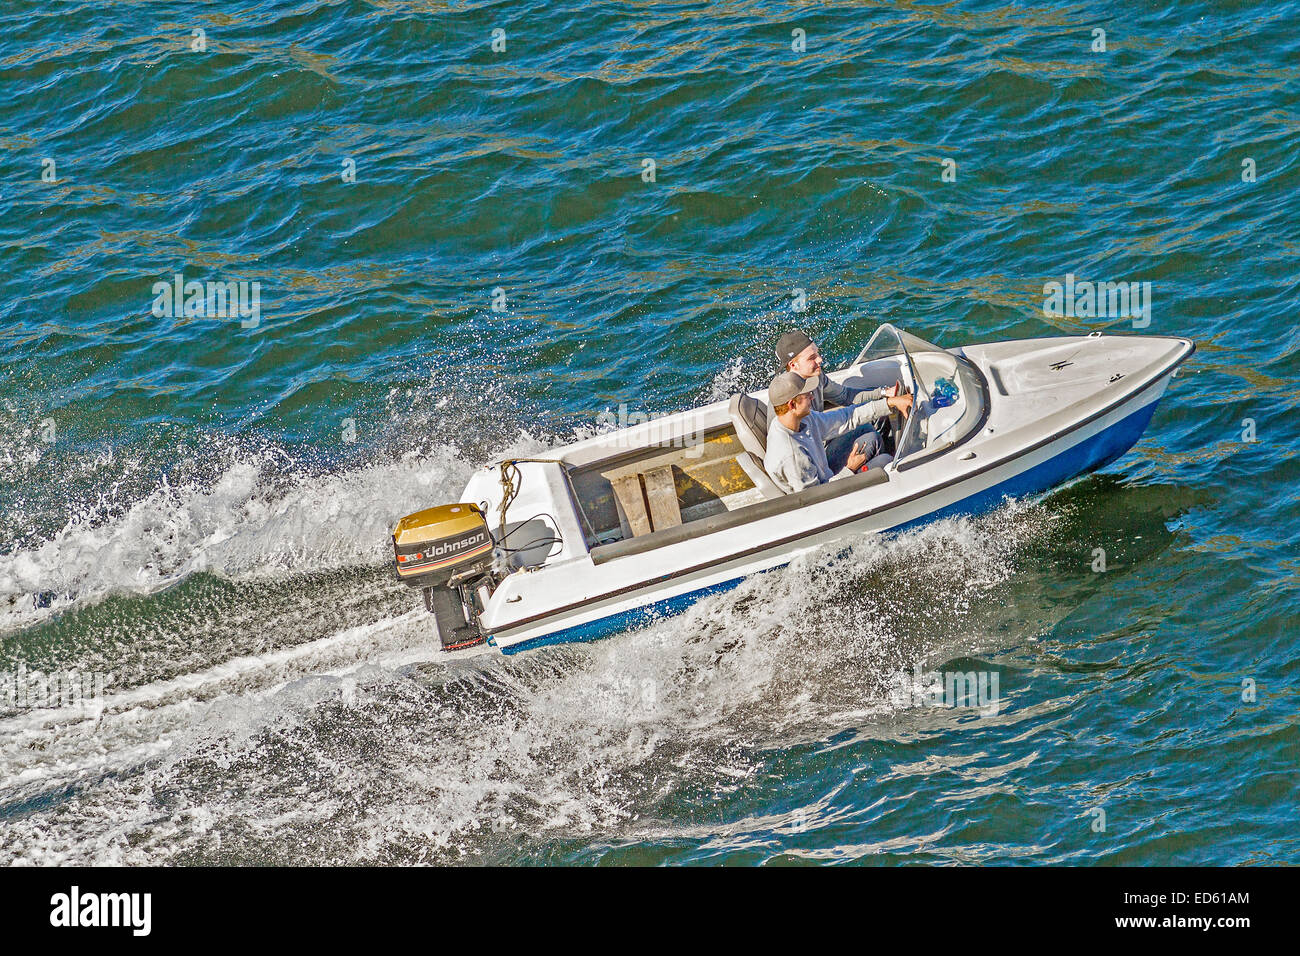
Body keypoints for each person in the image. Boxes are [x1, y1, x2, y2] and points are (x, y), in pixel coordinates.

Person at [763, 371, 912, 494]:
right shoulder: (792, 455)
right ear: (792, 404)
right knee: (884, 460)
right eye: (807, 395)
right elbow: (816, 499)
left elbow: (848, 417)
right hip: (828, 496)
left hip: (826, 476)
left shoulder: (802, 419)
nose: (812, 396)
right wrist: (850, 469)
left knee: (869, 434)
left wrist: (889, 403)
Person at [773, 328, 908, 463]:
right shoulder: (787, 401)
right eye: (812, 358)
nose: (820, 359)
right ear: (793, 365)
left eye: (817, 353)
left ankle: (884, 456)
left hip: (823, 433)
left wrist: (883, 393)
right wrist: (848, 470)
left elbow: (846, 396)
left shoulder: (817, 377)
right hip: (817, 456)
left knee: (878, 413)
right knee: (871, 438)